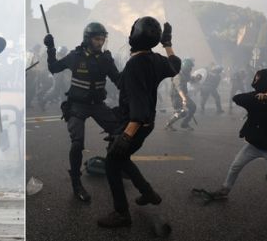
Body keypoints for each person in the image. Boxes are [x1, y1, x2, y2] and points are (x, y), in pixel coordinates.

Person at [97, 17, 181, 228]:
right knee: (122, 159)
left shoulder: (135, 64)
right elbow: (175, 66)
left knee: (112, 164)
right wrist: (168, 44)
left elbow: (139, 108)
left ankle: (122, 214)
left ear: (134, 35)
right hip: (146, 123)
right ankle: (148, 193)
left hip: (134, 124)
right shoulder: (156, 60)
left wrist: (125, 136)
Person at [43, 22, 120, 202]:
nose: (100, 43)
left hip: (98, 104)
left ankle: (113, 168)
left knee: (119, 134)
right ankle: (76, 183)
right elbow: (53, 67)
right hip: (77, 105)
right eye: (97, 39)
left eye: (102, 39)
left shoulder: (106, 59)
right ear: (87, 39)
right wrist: (50, 48)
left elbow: (119, 80)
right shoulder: (75, 56)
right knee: (77, 144)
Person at [209, 69, 267, 198]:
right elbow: (237, 98)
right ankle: (225, 190)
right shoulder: (254, 96)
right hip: (253, 145)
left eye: (258, 78)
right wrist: (260, 98)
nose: (255, 81)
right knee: (235, 166)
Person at [164, 58, 198, 131]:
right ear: (186, 67)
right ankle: (169, 124)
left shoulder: (185, 73)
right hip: (176, 96)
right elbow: (179, 89)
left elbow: (190, 79)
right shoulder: (178, 75)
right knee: (182, 112)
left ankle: (184, 124)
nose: (191, 68)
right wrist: (184, 98)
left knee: (193, 107)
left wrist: (197, 78)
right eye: (190, 67)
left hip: (183, 95)